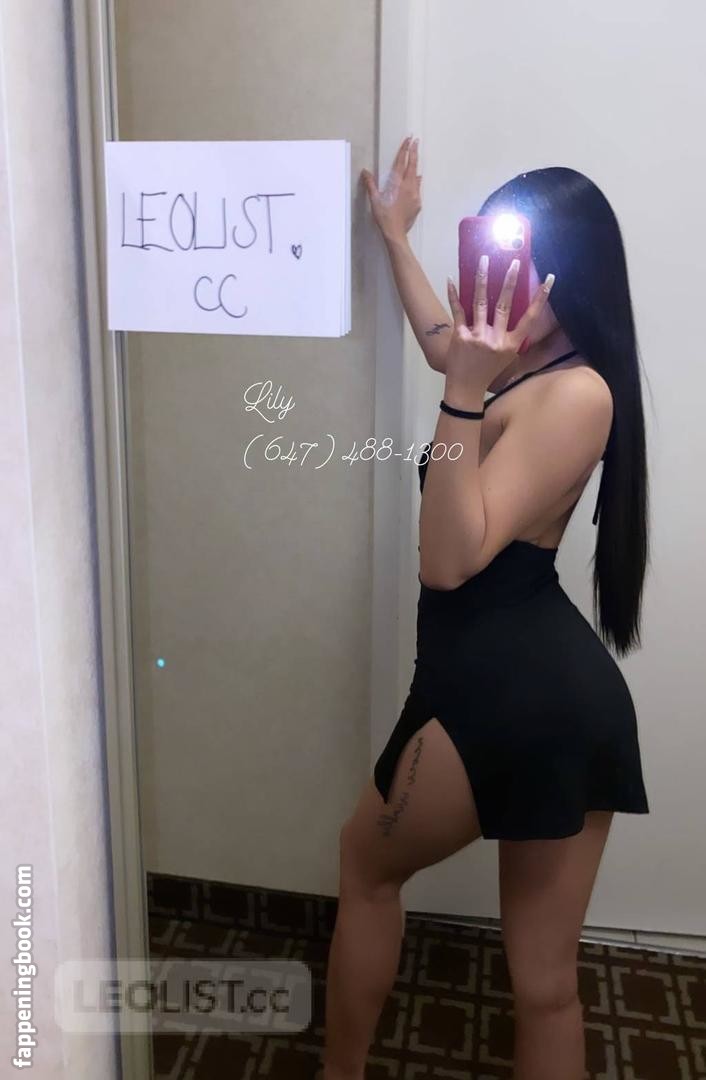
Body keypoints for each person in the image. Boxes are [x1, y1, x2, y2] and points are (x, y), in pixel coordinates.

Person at [321, 137, 650, 1080]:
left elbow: (450, 561)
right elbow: (444, 346)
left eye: (518, 263)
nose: (492, 283)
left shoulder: (577, 394)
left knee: (369, 870)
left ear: (565, 275)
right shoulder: (530, 363)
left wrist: (464, 387)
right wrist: (396, 236)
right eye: (490, 256)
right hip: (539, 688)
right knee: (544, 982)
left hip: (506, 693)